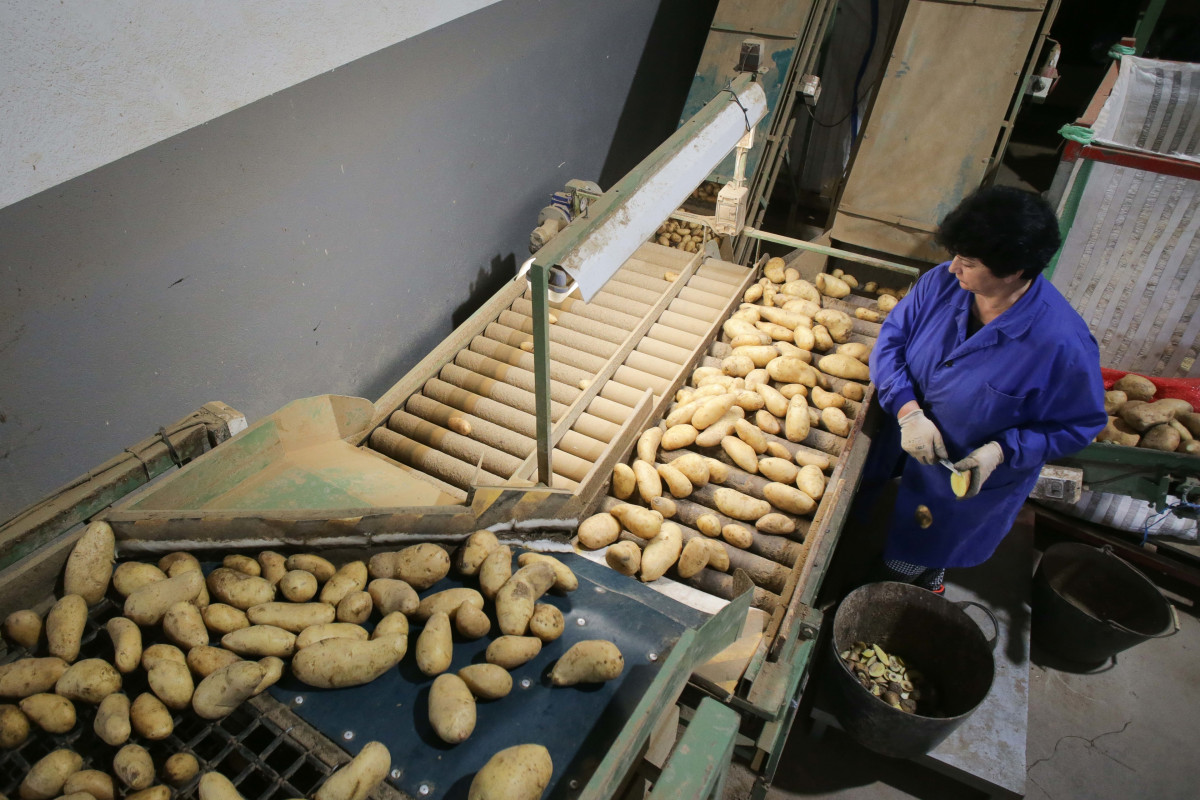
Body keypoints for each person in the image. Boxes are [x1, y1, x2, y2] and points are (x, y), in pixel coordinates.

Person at [864, 185, 1107, 592]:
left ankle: (906, 588)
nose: (954, 268)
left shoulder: (1061, 345)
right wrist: (908, 411)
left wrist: (1002, 451)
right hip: (904, 441)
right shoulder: (941, 285)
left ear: (1014, 270)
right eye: (956, 255)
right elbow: (891, 340)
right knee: (879, 514)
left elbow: (1076, 425)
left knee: (917, 551)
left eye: (969, 262)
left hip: (966, 476)